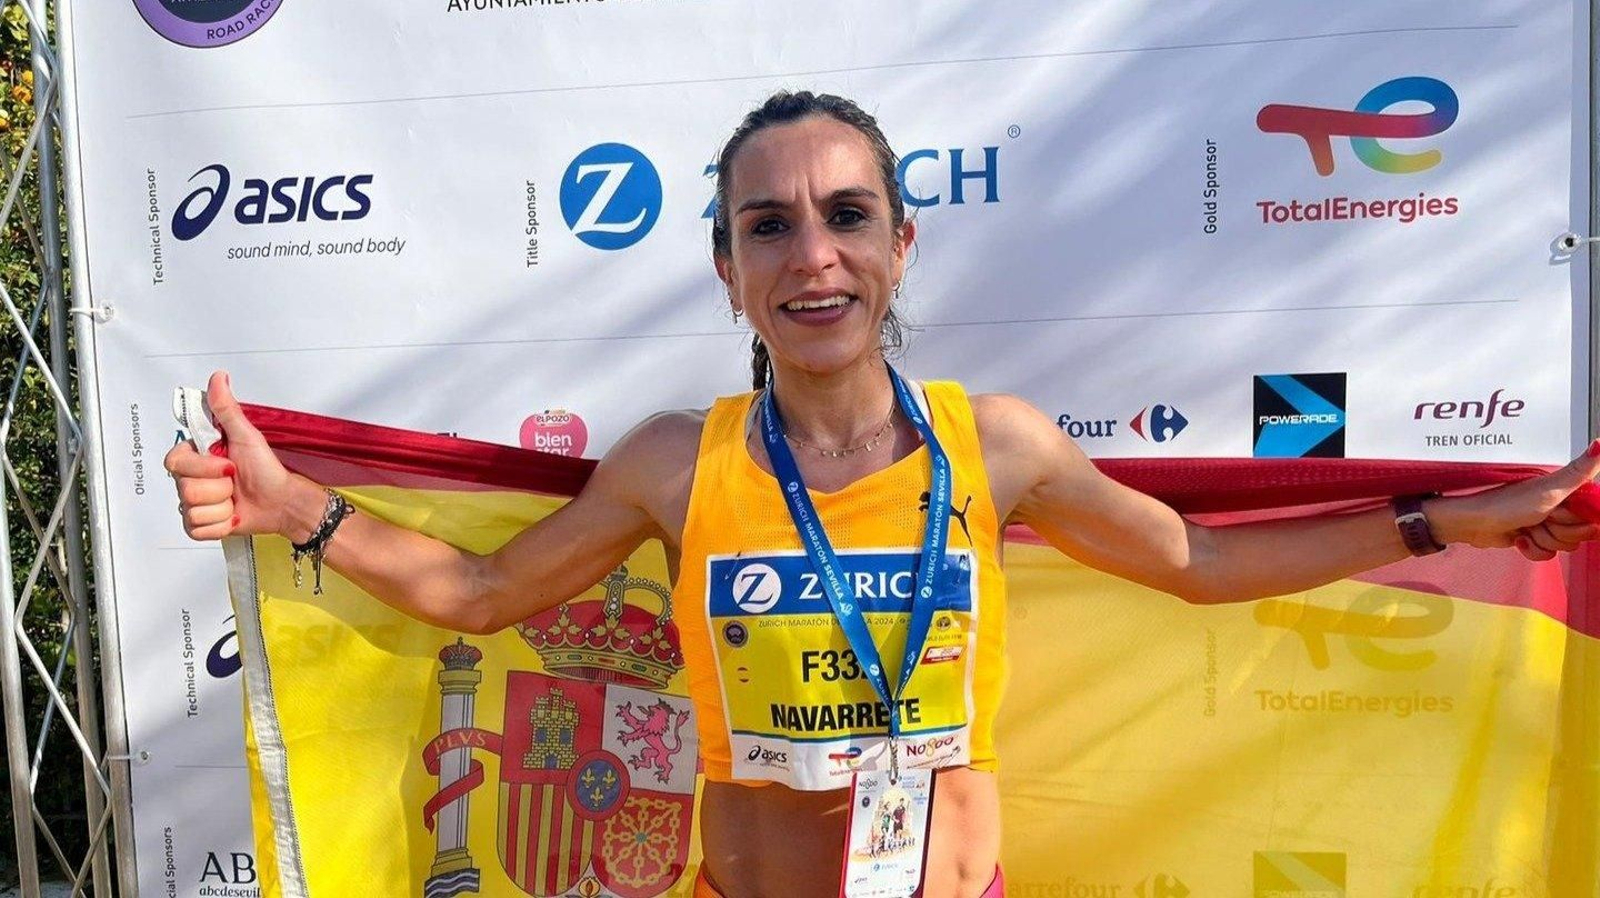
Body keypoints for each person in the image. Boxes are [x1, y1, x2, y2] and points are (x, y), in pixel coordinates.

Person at [165, 91, 1600, 898]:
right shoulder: (681, 462)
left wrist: (1444, 520)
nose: (814, 255)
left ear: (903, 245)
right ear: (728, 269)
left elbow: (1198, 559)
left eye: (848, 215)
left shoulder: (1002, 447)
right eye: (768, 224)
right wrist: (299, 510)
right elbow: (483, 596)